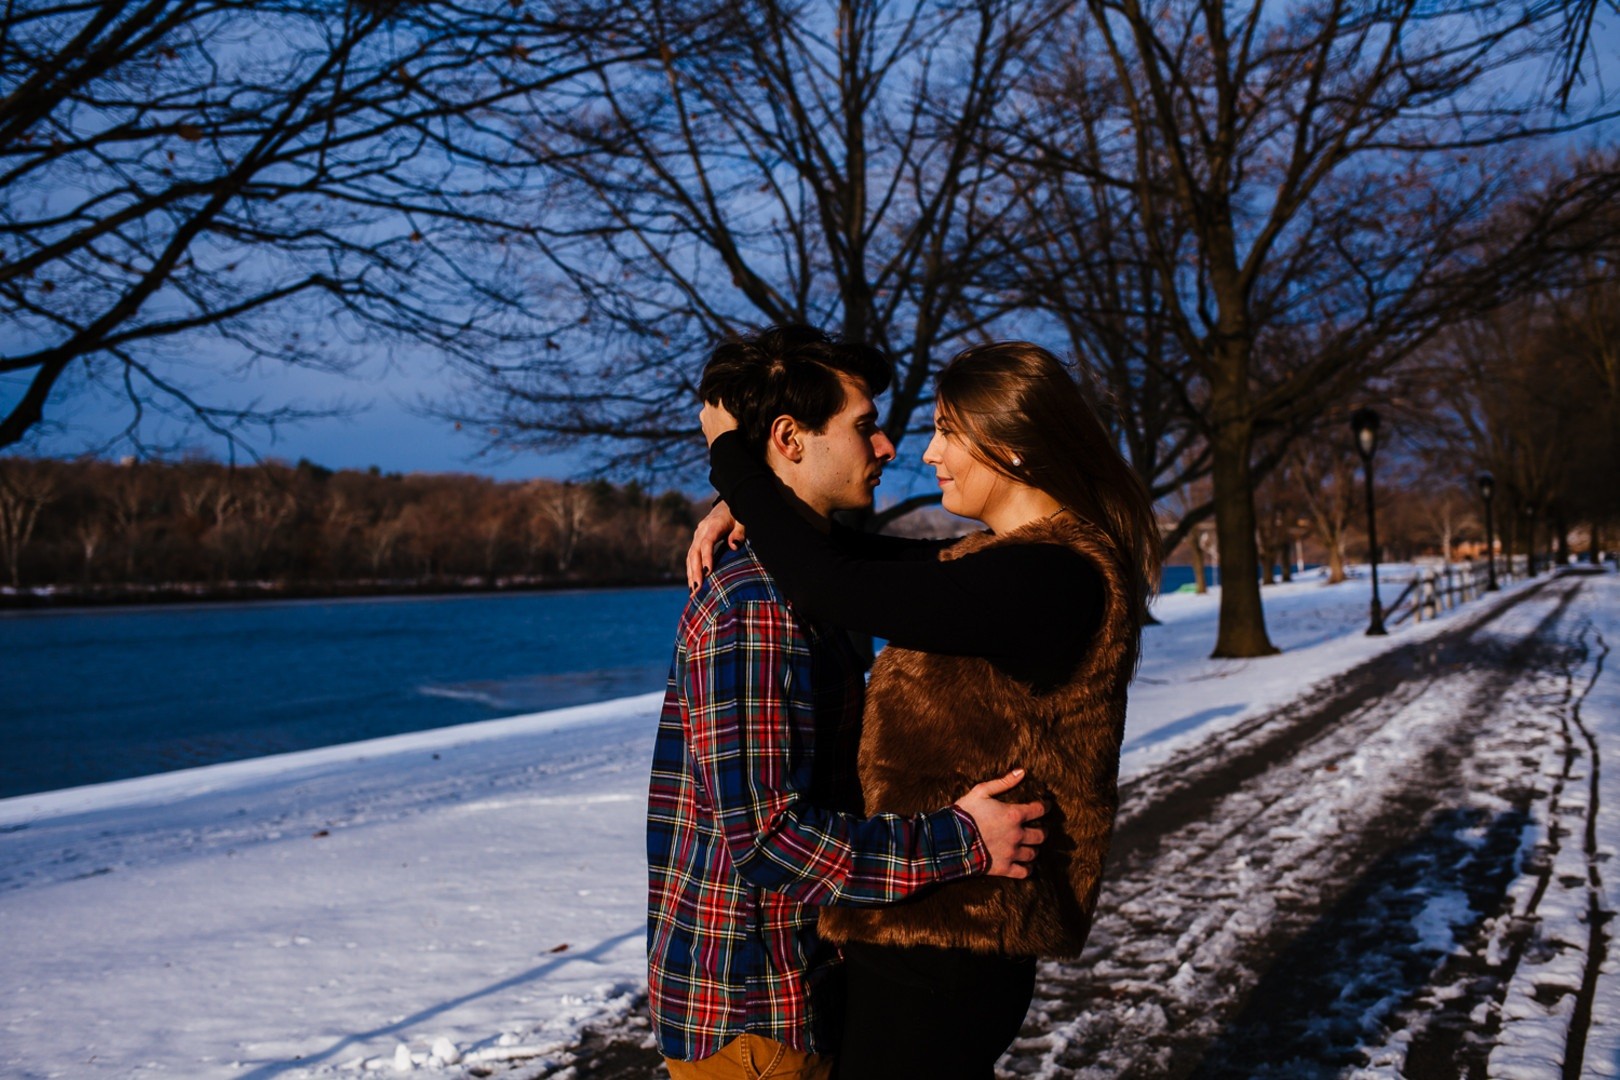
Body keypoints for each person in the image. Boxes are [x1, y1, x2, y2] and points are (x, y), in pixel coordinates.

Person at [692, 340, 1161, 1079]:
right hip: (926, 933)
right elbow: (851, 562)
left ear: (1009, 445)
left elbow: (835, 586)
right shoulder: (1002, 561)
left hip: (954, 945)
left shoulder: (1055, 576)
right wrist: (748, 504)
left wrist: (730, 456)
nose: (926, 451)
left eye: (948, 430)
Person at [648, 326, 1049, 1080]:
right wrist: (964, 838)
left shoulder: (806, 582)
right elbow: (770, 839)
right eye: (865, 426)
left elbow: (922, 574)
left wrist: (743, 494)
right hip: (757, 1019)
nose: (892, 447)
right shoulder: (755, 604)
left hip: (796, 992)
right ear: (790, 439)